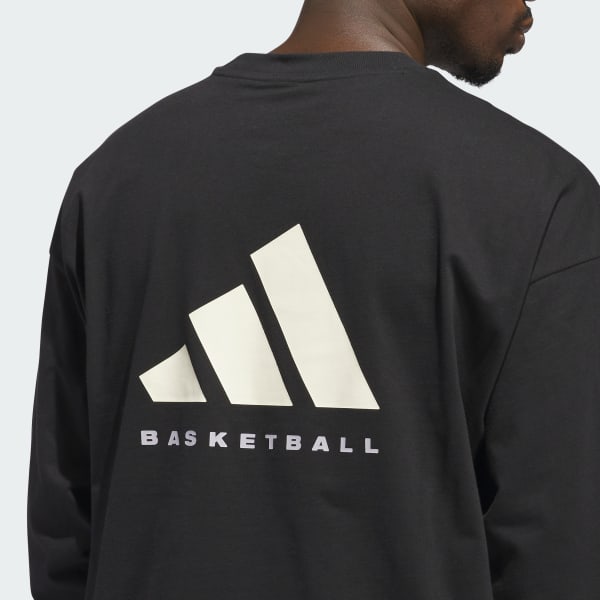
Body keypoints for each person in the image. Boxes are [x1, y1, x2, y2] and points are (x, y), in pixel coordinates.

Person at [27, 0, 599, 599]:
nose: (529, 9)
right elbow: (558, 554)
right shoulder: (538, 199)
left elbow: (65, 535)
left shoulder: (114, 178)